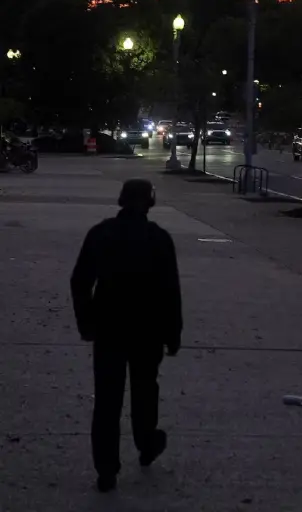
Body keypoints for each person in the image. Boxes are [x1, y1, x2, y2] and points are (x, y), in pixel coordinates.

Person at [70, 178, 183, 493]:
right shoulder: (159, 239)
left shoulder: (100, 233)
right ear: (150, 202)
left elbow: (80, 281)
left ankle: (106, 469)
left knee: (107, 400)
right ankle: (147, 442)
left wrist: (87, 322)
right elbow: (170, 292)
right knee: (145, 390)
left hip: (109, 327)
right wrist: (173, 333)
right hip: (147, 329)